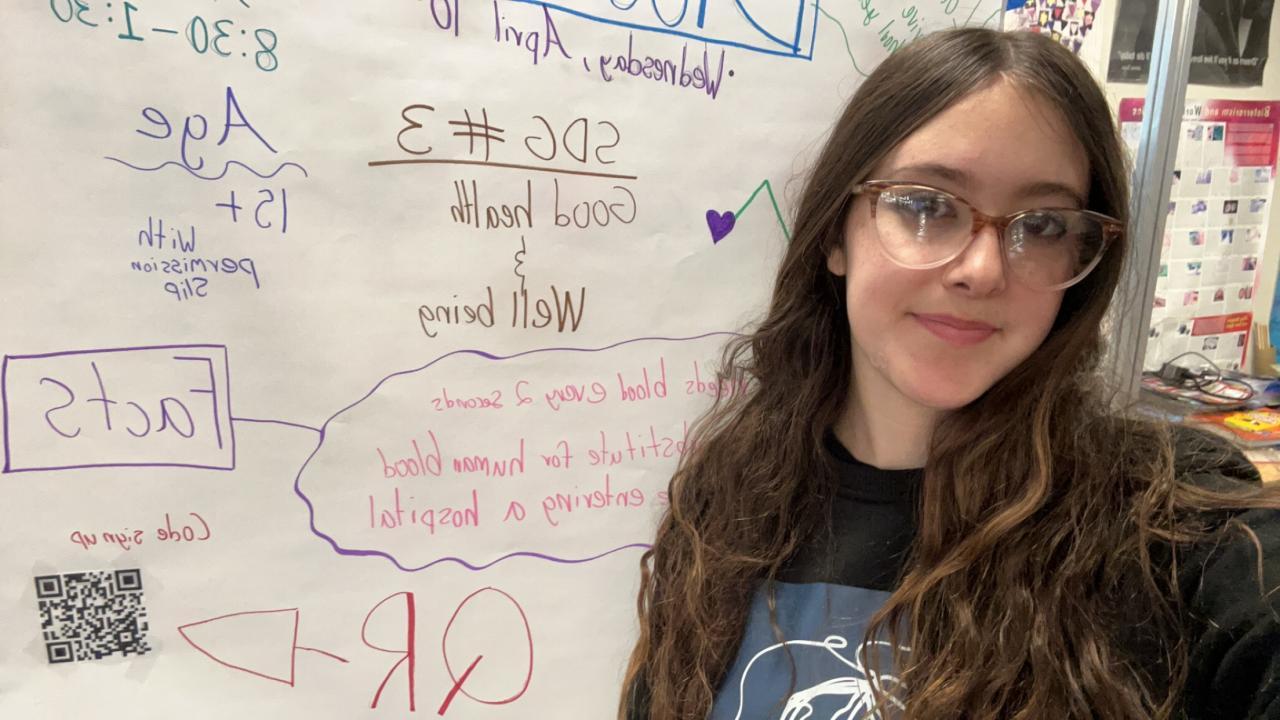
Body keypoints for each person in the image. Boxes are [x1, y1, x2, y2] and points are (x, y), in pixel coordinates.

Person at [620, 28, 1280, 720]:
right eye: (927, 206)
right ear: (836, 235)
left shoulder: (1166, 523)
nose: (983, 270)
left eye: (1044, 226)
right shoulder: (732, 498)